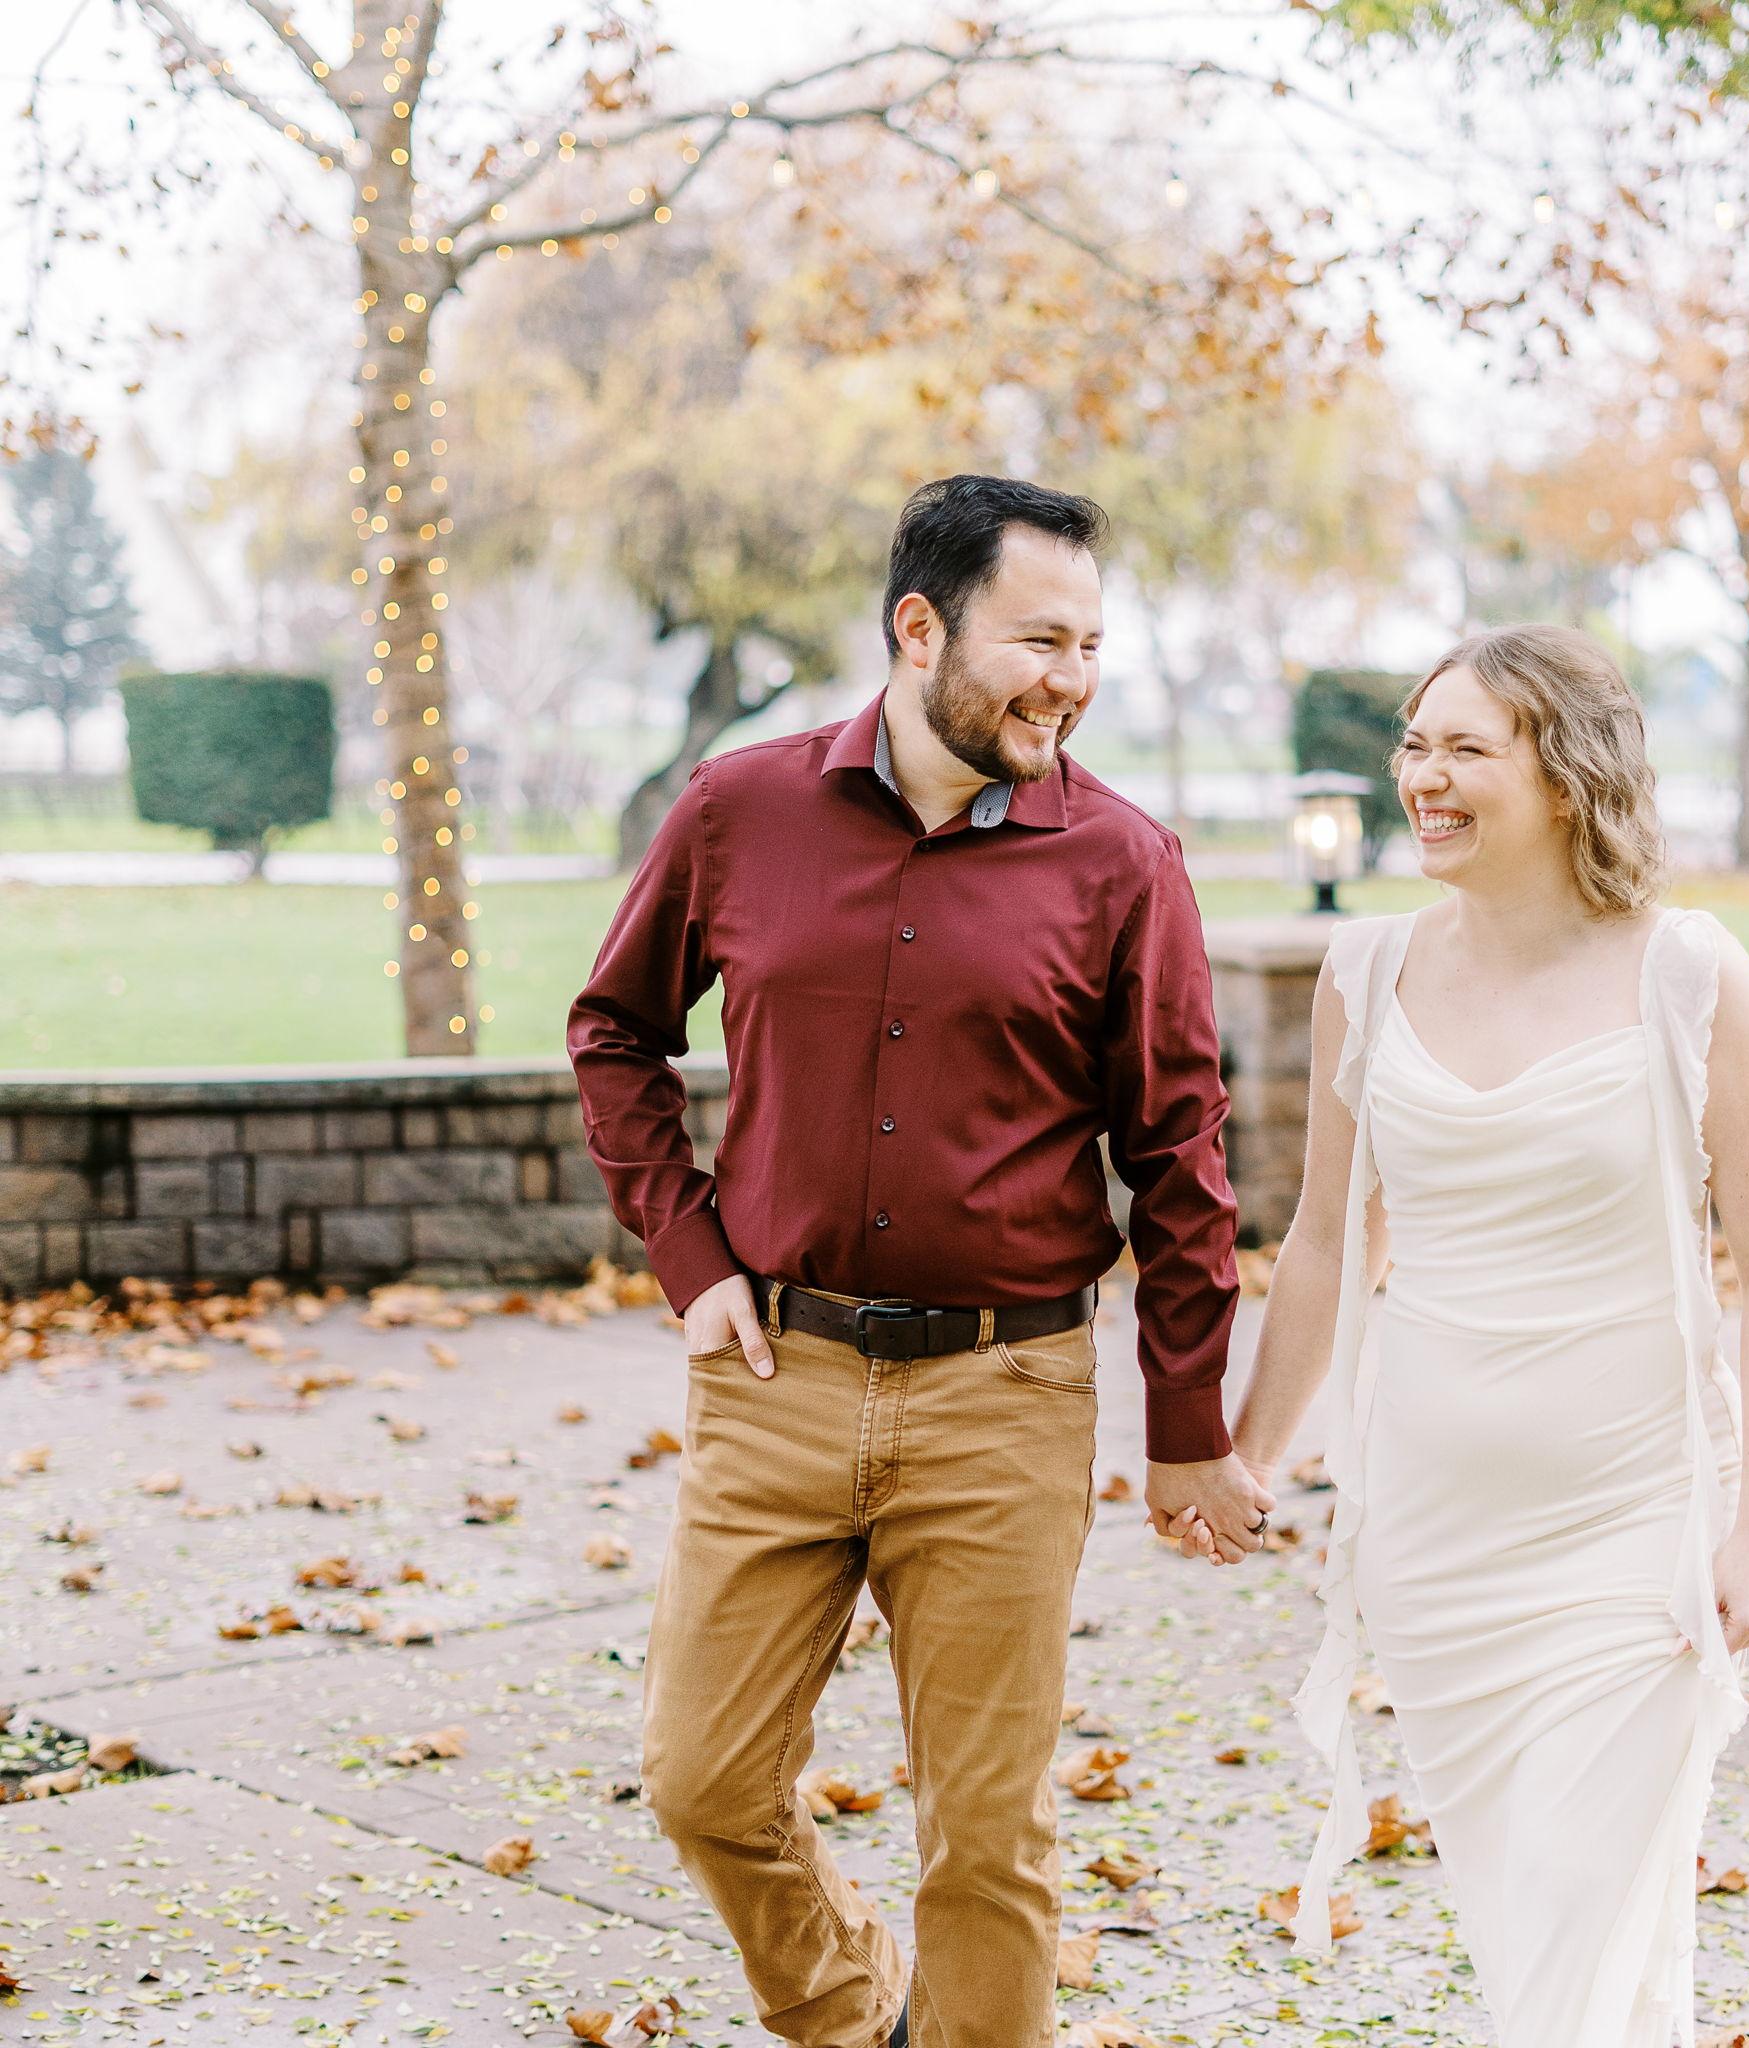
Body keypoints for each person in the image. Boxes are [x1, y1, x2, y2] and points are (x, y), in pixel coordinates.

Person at [566, 474, 1274, 2048]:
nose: (1071, 682)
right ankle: (858, 2011)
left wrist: (1186, 1424)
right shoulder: (737, 811)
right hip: (776, 1379)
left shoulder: (1125, 862)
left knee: (988, 1842)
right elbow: (615, 1029)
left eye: (1091, 647)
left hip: (1004, 1397)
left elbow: (1179, 1154)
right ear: (918, 628)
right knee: (701, 1782)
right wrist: (691, 1256)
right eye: (1039, 641)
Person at [1226, 625, 1749, 2045]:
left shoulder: (1689, 974)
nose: (1422, 778)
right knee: (1539, 1929)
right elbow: (1331, 1240)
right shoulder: (1367, 972)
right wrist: (1248, 1453)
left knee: (1574, 1911)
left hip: (1634, 1530)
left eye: (1465, 749)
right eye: (1414, 745)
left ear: (1564, 778)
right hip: (1438, 1546)